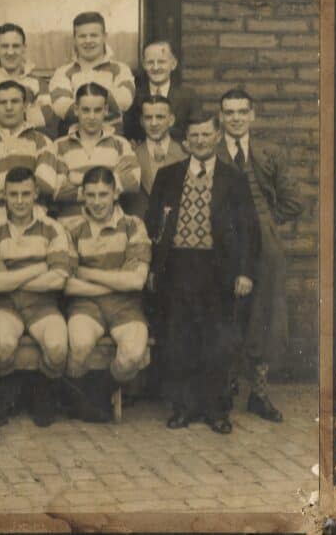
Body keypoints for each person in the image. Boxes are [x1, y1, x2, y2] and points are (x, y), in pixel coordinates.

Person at [148, 110, 262, 434]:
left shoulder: (233, 179)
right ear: (185, 141)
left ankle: (216, 409)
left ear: (216, 136)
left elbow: (249, 230)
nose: (200, 141)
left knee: (217, 340)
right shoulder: (168, 176)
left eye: (206, 135)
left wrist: (245, 273)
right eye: (193, 136)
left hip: (217, 268)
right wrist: (155, 267)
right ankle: (183, 407)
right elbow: (153, 224)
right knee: (179, 339)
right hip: (178, 266)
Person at [216, 87, 305, 423]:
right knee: (226, 310)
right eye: (229, 112)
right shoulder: (212, 151)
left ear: (252, 115)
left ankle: (259, 393)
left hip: (264, 248)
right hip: (225, 242)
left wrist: (266, 222)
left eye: (242, 112)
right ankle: (223, 388)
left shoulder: (269, 153)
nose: (236, 118)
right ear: (221, 117)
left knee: (264, 315)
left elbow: (294, 200)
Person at [0, 167, 72, 427]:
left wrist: (12, 278)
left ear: (36, 194)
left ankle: (42, 392)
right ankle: (7, 391)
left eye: (25, 194)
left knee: (57, 347)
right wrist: (38, 268)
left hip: (43, 305)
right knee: (4, 343)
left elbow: (59, 278)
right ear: (3, 196)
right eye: (13, 195)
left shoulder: (52, 229)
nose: (19, 201)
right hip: (6, 305)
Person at [61, 167, 151, 423]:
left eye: (103, 194)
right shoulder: (71, 229)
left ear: (115, 193)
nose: (97, 202)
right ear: (82, 195)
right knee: (79, 346)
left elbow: (136, 281)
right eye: (91, 195)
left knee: (133, 354)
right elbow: (67, 286)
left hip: (126, 307)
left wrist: (86, 272)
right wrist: (116, 281)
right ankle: (81, 399)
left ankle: (101, 392)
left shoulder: (134, 226)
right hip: (86, 304)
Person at [0, 79, 57, 229]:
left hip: (36, 223)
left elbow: (46, 184)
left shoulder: (42, 142)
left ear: (25, 106)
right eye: (2, 103)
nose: (9, 107)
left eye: (15, 101)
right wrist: (27, 176)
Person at [51, 82, 140, 217]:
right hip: (70, 225)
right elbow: (57, 190)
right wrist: (107, 189)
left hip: (111, 226)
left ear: (105, 110)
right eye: (86, 110)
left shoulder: (120, 144)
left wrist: (76, 181)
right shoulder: (59, 146)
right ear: (76, 109)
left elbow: (133, 180)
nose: (92, 117)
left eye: (97, 110)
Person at [48, 11, 135, 134]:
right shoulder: (62, 73)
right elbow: (62, 107)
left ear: (104, 36)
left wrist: (80, 105)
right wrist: (106, 103)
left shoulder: (120, 69)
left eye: (94, 35)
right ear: (74, 39)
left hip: (113, 142)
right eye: (82, 36)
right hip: (74, 143)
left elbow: (124, 100)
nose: (88, 41)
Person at [0, 23, 52, 136]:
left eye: (16, 46)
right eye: (5, 46)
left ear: (24, 48)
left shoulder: (39, 83)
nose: (10, 52)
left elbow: (46, 118)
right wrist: (27, 111)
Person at [122, 94, 188, 219]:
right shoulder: (130, 155)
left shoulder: (185, 155)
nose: (153, 123)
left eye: (160, 117)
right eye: (148, 117)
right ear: (141, 121)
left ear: (171, 120)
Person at [123, 41, 198, 143]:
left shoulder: (188, 96)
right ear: (144, 65)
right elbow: (129, 133)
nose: (156, 67)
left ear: (173, 64)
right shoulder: (134, 96)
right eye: (150, 62)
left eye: (162, 62)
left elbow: (196, 132)